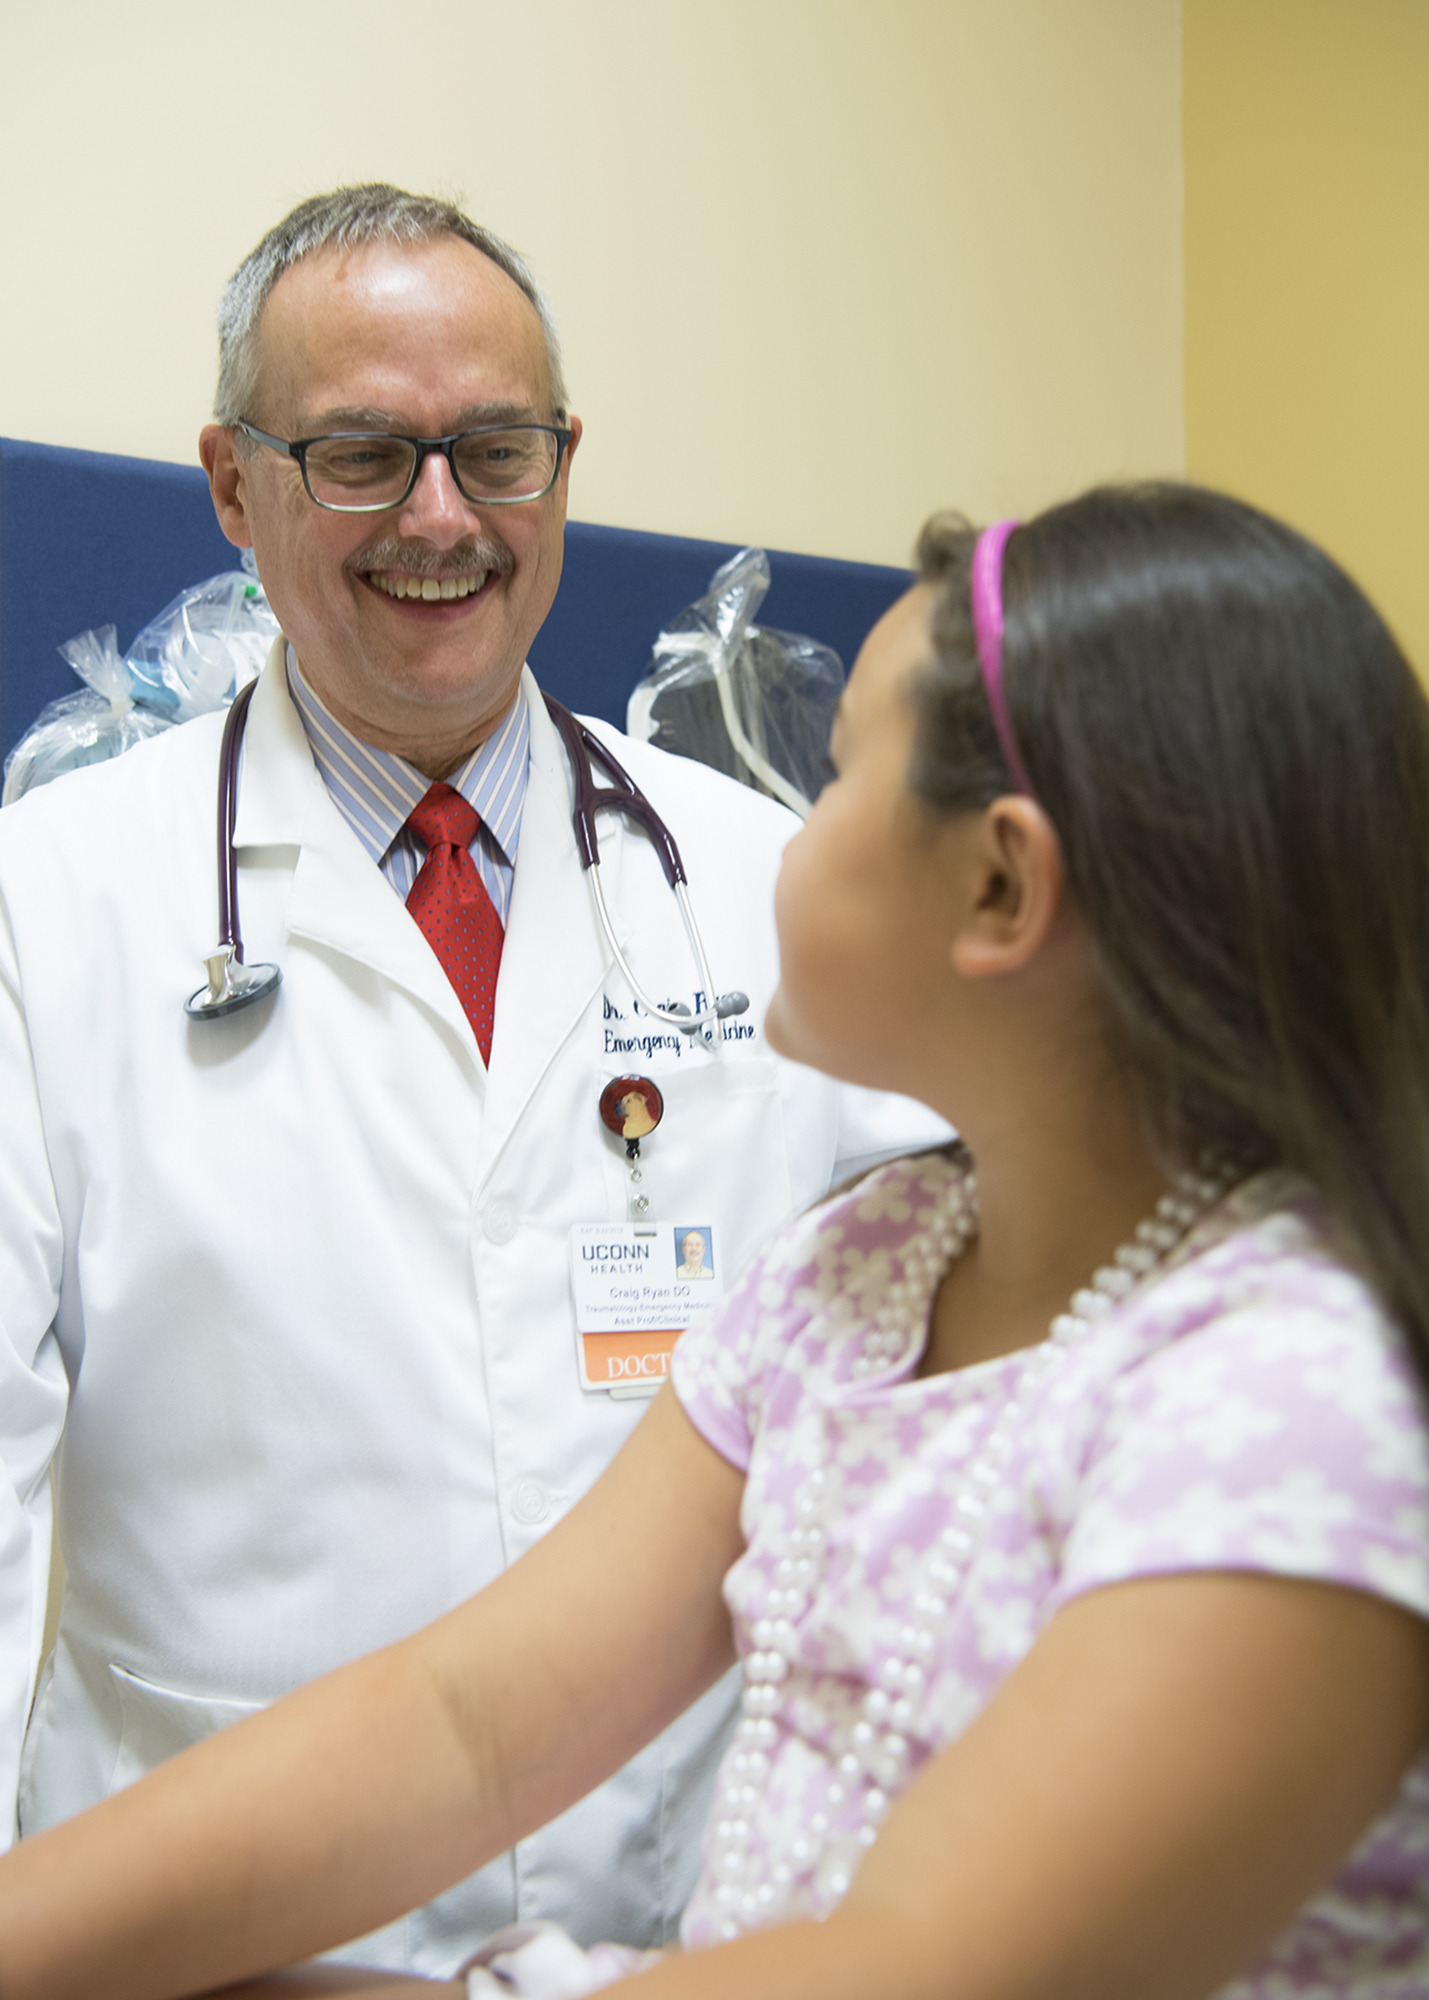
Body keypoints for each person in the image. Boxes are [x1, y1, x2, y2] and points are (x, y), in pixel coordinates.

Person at [5, 480, 1429, 2000]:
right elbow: (464, 1722)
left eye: (837, 779)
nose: (783, 831)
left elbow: (921, 1970)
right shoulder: (857, 1279)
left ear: (999, 885)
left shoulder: (1288, 1411)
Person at [0, 185, 944, 1974]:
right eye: (360, 453)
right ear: (231, 483)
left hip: (686, 1940)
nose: (440, 517)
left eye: (493, 449)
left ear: (563, 463)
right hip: (210, 1947)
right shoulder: (48, 907)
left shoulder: (769, 887)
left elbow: (949, 1375)